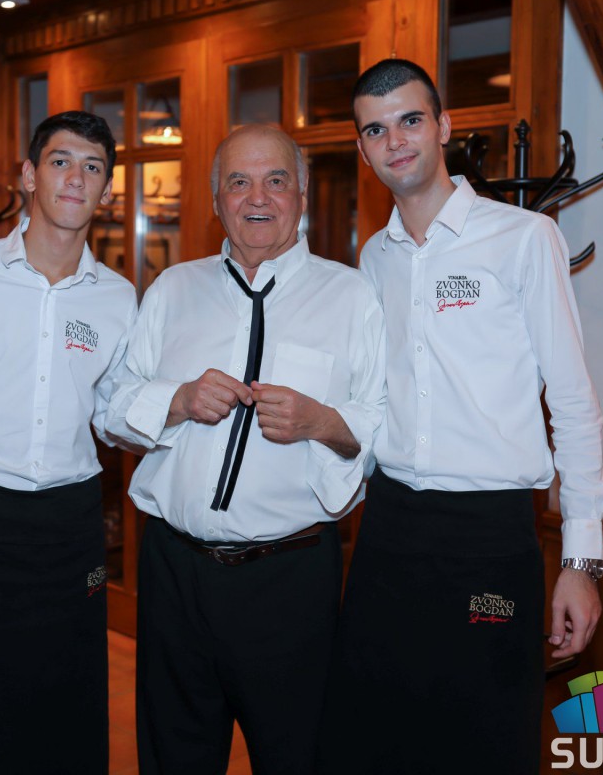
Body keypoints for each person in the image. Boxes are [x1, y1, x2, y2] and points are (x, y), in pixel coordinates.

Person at [318, 59, 603, 774]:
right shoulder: (373, 258)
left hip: (489, 537)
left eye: (411, 120)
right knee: (373, 736)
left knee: (484, 739)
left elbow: (573, 401)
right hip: (389, 531)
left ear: (444, 126)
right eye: (375, 130)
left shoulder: (524, 238)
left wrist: (581, 560)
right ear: (362, 149)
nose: (395, 141)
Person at [108, 124, 385, 774]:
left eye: (275, 180)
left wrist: (321, 421)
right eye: (239, 182)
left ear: (302, 195)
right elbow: (112, 410)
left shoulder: (352, 297)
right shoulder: (172, 289)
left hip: (289, 582)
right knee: (173, 757)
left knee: (296, 757)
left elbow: (381, 430)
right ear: (216, 200)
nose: (258, 197)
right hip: (174, 574)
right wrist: (178, 400)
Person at [0, 110, 136, 774]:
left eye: (93, 167)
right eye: (61, 161)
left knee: (67, 700)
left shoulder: (118, 297)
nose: (76, 178)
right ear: (29, 175)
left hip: (71, 524)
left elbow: (113, 416)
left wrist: (176, 408)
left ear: (106, 192)